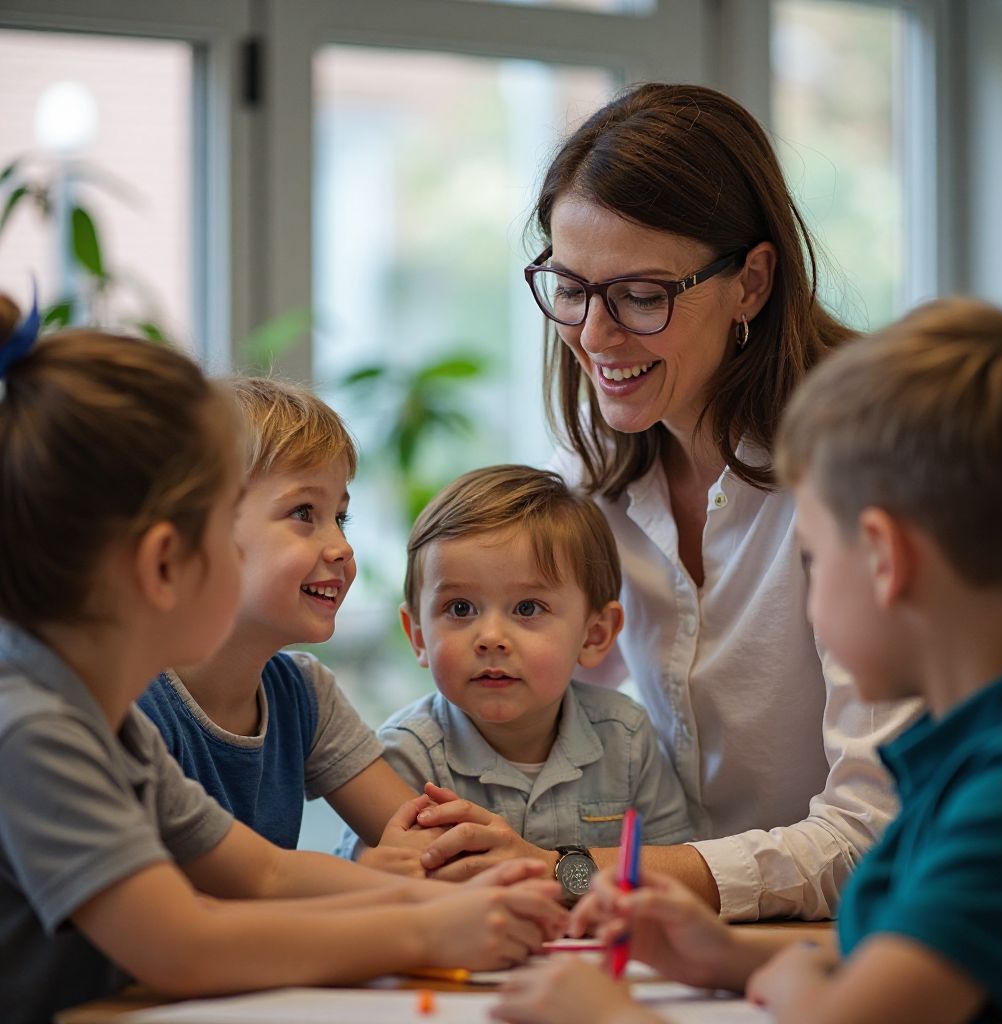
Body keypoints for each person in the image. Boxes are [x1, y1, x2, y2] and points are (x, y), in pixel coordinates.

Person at [410, 82, 918, 921]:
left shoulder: (864, 470)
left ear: (752, 282)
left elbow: (877, 833)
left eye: (641, 296)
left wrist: (570, 869)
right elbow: (524, 702)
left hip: (855, 937)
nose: (596, 337)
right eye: (570, 287)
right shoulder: (589, 480)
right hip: (687, 932)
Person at [0, 298, 566, 1024]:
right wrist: (426, 929)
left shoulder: (98, 717)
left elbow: (265, 873)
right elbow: (186, 944)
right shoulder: (34, 726)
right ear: (165, 563)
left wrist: (470, 901)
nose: (340, 545)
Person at [491, 297, 1002, 1024]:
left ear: (884, 559)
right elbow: (890, 953)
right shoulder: (962, 761)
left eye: (811, 554)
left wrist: (609, 1018)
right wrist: (724, 956)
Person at [335, 465, 692, 894]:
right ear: (418, 636)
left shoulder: (628, 739)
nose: (490, 639)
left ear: (595, 635)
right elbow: (366, 885)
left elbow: (674, 874)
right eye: (461, 609)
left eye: (527, 608)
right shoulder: (406, 756)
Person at [138, 377, 420, 860]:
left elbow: (415, 839)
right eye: (304, 512)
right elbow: (181, 918)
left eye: (341, 517)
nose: (343, 548)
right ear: (198, 529)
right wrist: (362, 884)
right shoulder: (134, 704)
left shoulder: (303, 692)